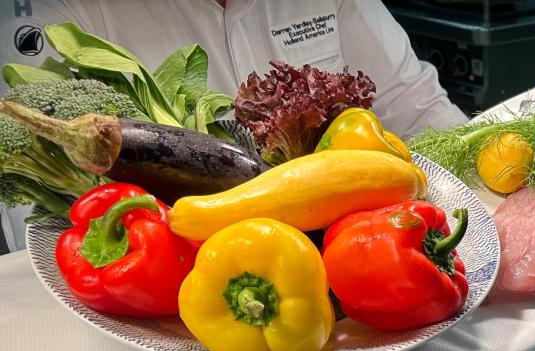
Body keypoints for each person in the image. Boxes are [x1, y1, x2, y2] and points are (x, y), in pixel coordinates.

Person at [0, 0, 466, 250]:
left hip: (352, 256)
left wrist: (490, 183)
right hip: (170, 281)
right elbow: (42, 220)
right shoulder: (50, 10)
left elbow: (419, 108)